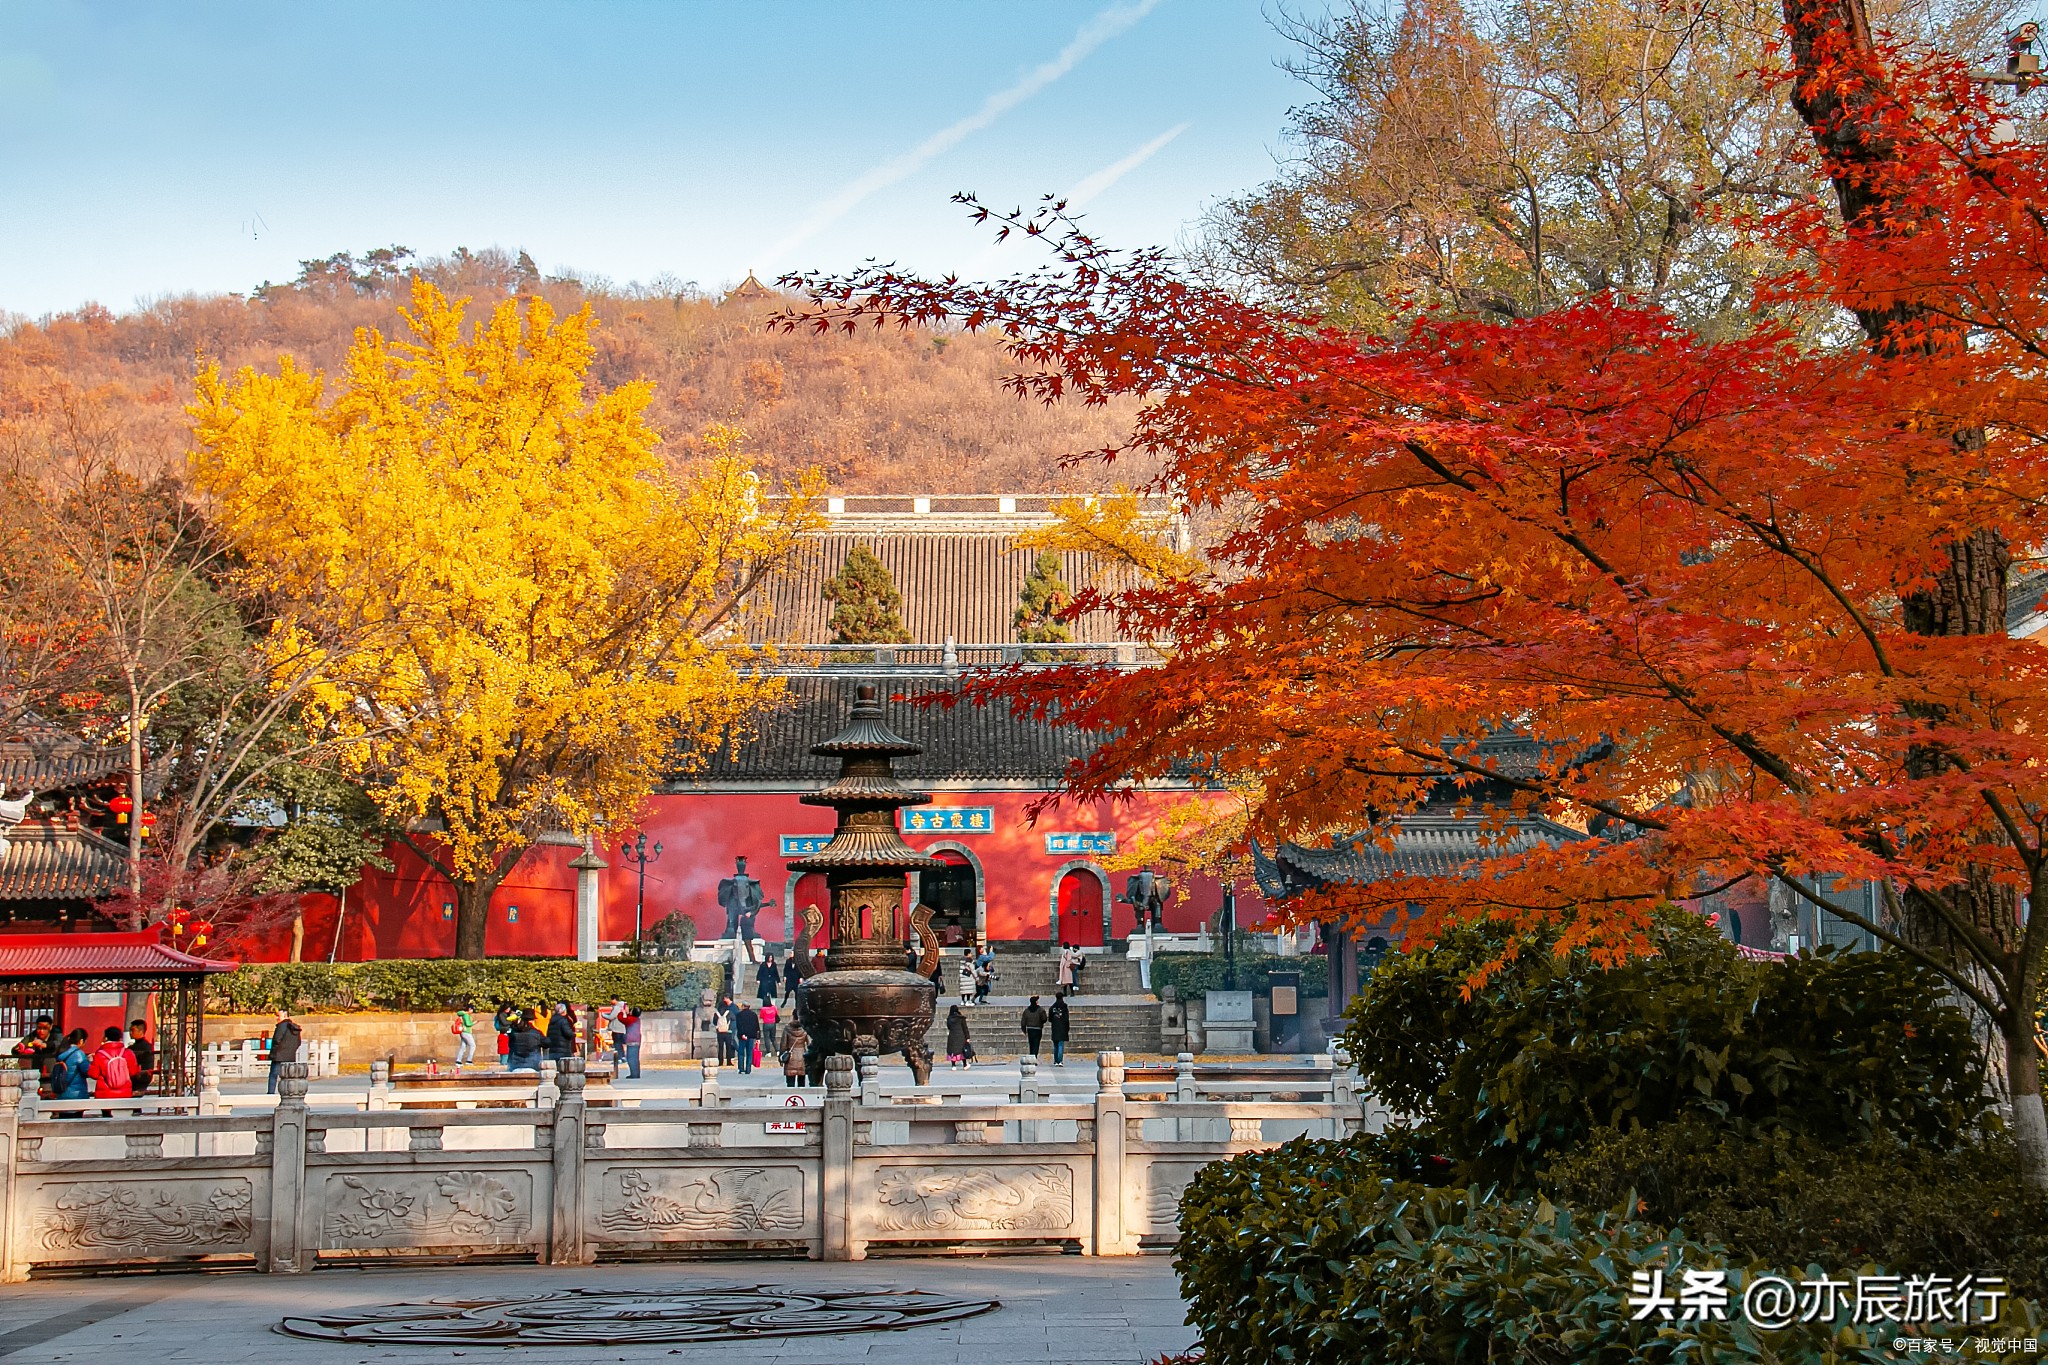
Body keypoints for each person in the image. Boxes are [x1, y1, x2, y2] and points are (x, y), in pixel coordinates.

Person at [87, 1026, 135, 1114]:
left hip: (105, 1095)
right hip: (124, 1093)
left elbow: (94, 1074)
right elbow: (133, 1072)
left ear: (106, 1038)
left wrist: (90, 1063)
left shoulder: (99, 1054)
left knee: (106, 1118)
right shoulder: (128, 1053)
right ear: (120, 1038)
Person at [268, 1008, 302, 1095]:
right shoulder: (295, 1028)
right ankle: (289, 1092)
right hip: (290, 1056)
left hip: (278, 1055)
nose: (277, 1018)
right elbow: (298, 1042)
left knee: (273, 1075)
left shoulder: (281, 1026)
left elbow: (277, 1040)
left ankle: (271, 1093)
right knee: (288, 1076)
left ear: (285, 1016)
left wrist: (274, 1051)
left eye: (278, 1016)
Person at [126, 1019, 155, 1095]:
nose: (130, 1033)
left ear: (141, 1031)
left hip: (139, 1078)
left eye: (133, 1030)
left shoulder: (143, 1047)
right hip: (140, 1078)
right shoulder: (144, 1045)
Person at [733, 1001, 760, 1076]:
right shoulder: (753, 1015)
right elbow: (757, 1026)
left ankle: (741, 1068)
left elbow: (739, 1026)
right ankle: (748, 1069)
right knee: (749, 1053)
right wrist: (758, 1037)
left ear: (743, 1006)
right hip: (751, 1036)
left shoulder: (739, 1015)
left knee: (741, 1052)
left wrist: (742, 1034)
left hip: (743, 1036)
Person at [781, 1019, 809, 1088]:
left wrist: (781, 1057)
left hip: (790, 1057)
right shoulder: (805, 1029)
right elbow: (810, 1043)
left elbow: (783, 1045)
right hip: (802, 1056)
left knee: (790, 1084)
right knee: (801, 1083)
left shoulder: (787, 1029)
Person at [1048, 990, 1072, 1067]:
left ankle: (1056, 1061)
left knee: (1055, 1045)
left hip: (1055, 1027)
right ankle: (1060, 1060)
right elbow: (1066, 1018)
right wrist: (1067, 1027)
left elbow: (1050, 1019)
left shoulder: (1052, 1007)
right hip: (1062, 1027)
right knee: (1061, 1044)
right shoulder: (1064, 1007)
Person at [945, 1005, 970, 1069]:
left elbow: (949, 1027)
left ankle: (953, 1065)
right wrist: (967, 1037)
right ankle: (965, 1065)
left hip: (952, 1036)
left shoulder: (949, 1019)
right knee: (962, 1051)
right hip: (961, 1036)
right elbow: (965, 1028)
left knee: (952, 1051)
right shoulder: (961, 1018)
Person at [713, 995, 736, 1066]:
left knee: (720, 1047)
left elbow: (714, 1022)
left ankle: (720, 1061)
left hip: (720, 1032)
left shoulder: (716, 1013)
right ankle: (728, 1061)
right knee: (728, 1047)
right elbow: (733, 1018)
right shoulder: (729, 1012)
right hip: (728, 1032)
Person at [605, 996, 629, 1063]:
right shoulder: (623, 1006)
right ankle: (623, 1057)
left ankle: (619, 1058)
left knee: (617, 1044)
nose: (610, 1001)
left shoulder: (617, 1007)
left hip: (616, 1028)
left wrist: (603, 1015)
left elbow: (611, 1017)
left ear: (614, 1000)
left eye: (611, 1000)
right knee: (620, 1044)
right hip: (622, 1028)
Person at [622, 1007, 643, 1080]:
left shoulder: (631, 1019)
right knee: (635, 1058)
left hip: (632, 1040)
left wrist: (621, 1013)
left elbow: (622, 1020)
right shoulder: (636, 1019)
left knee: (631, 1058)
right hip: (637, 1040)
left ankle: (634, 1074)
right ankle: (636, 1073)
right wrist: (627, 1013)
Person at [492, 1001, 514, 1066]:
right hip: (504, 1033)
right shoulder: (501, 1014)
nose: (509, 1009)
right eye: (508, 1008)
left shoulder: (506, 1014)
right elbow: (504, 1022)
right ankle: (504, 1062)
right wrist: (512, 1022)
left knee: (505, 1049)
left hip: (507, 1033)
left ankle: (504, 1062)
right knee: (505, 1050)